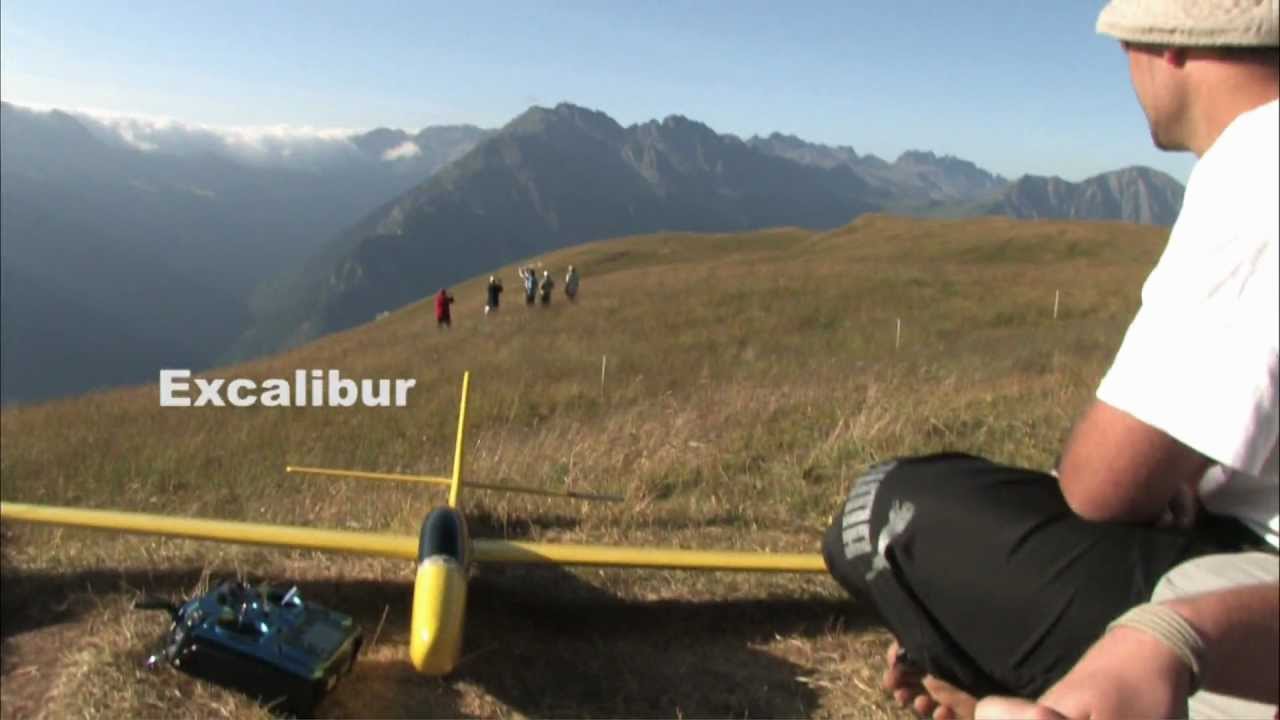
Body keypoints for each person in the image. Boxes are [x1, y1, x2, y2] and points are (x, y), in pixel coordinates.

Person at [821, 1, 1279, 717]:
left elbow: (1100, 487)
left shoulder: (1256, 167)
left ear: (1171, 43)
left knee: (878, 509)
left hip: (1250, 592)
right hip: (1243, 552)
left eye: (1126, 41)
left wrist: (1156, 484)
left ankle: (1009, 679)